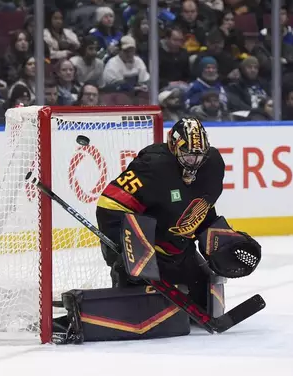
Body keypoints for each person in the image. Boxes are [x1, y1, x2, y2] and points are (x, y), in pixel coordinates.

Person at [95, 117, 260, 318]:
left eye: (199, 156)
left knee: (206, 308)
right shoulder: (153, 166)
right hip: (145, 252)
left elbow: (201, 208)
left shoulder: (213, 165)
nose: (194, 163)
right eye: (188, 156)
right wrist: (127, 248)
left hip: (178, 250)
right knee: (140, 312)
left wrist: (219, 239)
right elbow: (110, 204)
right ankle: (125, 278)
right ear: (174, 147)